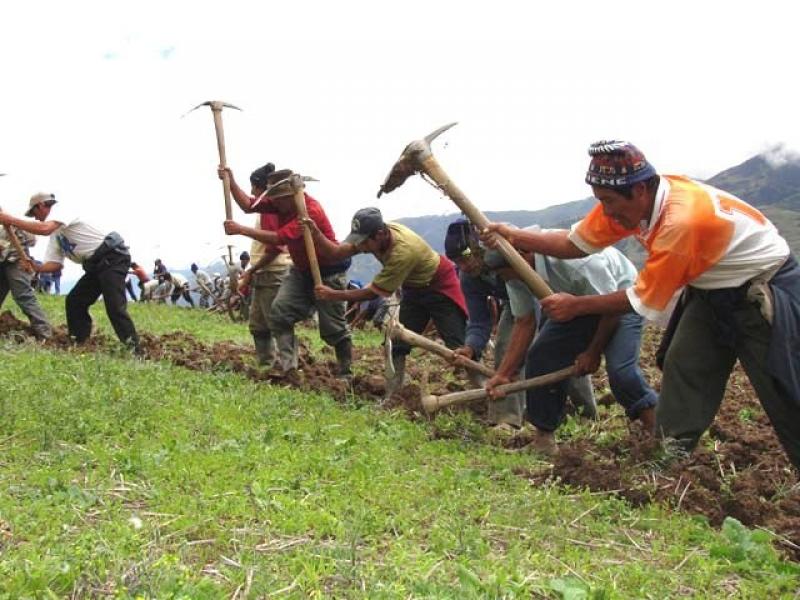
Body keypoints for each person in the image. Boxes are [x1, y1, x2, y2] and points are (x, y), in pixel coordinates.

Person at [485, 140, 800, 469]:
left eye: (608, 202)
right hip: (710, 289)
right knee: (684, 365)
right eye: (600, 201)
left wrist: (576, 306)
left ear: (639, 191)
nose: (605, 211)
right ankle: (670, 459)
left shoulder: (682, 222)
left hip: (761, 289)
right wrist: (515, 235)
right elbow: (573, 242)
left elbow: (640, 300)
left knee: (782, 383)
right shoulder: (629, 201)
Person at [483, 226, 657, 454]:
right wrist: (503, 374)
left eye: (510, 274)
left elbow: (610, 310)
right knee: (542, 356)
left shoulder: (578, 264)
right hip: (572, 305)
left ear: (524, 256)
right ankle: (544, 439)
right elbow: (524, 321)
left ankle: (662, 434)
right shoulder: (513, 271)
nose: (510, 280)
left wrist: (593, 352)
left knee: (621, 371)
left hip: (620, 301)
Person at [444, 219, 597, 435]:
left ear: (480, 248)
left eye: (466, 257)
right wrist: (470, 347)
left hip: (550, 297)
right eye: (456, 261)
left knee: (562, 352)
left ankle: (587, 415)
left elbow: (534, 312)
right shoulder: (470, 278)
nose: (464, 266)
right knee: (506, 348)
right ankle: (507, 418)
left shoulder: (509, 256)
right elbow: (479, 320)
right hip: (516, 305)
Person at [312, 207, 467, 399]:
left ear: (380, 234)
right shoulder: (374, 237)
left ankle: (479, 389)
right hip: (413, 289)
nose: (362, 247)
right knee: (395, 344)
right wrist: (315, 233)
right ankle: (393, 394)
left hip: (439, 286)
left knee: (459, 347)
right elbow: (336, 253)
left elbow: (370, 294)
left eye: (365, 242)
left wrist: (333, 295)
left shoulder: (402, 252)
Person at [221, 167, 352, 376]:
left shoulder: (309, 212)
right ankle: (288, 368)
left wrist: (241, 230)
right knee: (279, 314)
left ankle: (346, 371)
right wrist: (230, 180)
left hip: (328, 273)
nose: (275, 204)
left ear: (291, 195)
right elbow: (249, 205)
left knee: (333, 328)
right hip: (300, 271)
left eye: (279, 199)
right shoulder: (279, 204)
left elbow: (280, 238)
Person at [0, 193, 139, 351]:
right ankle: (79, 342)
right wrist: (36, 267)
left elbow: (44, 229)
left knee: (114, 306)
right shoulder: (57, 235)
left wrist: (10, 220)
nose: (36, 218)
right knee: (74, 301)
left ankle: (134, 349)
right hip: (95, 266)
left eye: (34, 214)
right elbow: (55, 265)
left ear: (41, 206)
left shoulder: (60, 210)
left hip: (112, 256)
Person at [219, 163, 293, 367]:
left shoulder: (271, 210)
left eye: (254, 187)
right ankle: (266, 363)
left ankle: (285, 366)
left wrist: (251, 270)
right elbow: (247, 204)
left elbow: (276, 247)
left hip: (273, 272)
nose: (251, 191)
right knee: (258, 324)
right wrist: (230, 181)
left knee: (275, 322)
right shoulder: (266, 207)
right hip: (265, 272)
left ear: (264, 188)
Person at [0, 209, 52, 339]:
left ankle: (45, 334)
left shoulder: (6, 220)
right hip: (2, 260)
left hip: (16, 259)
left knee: (23, 295)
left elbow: (32, 240)